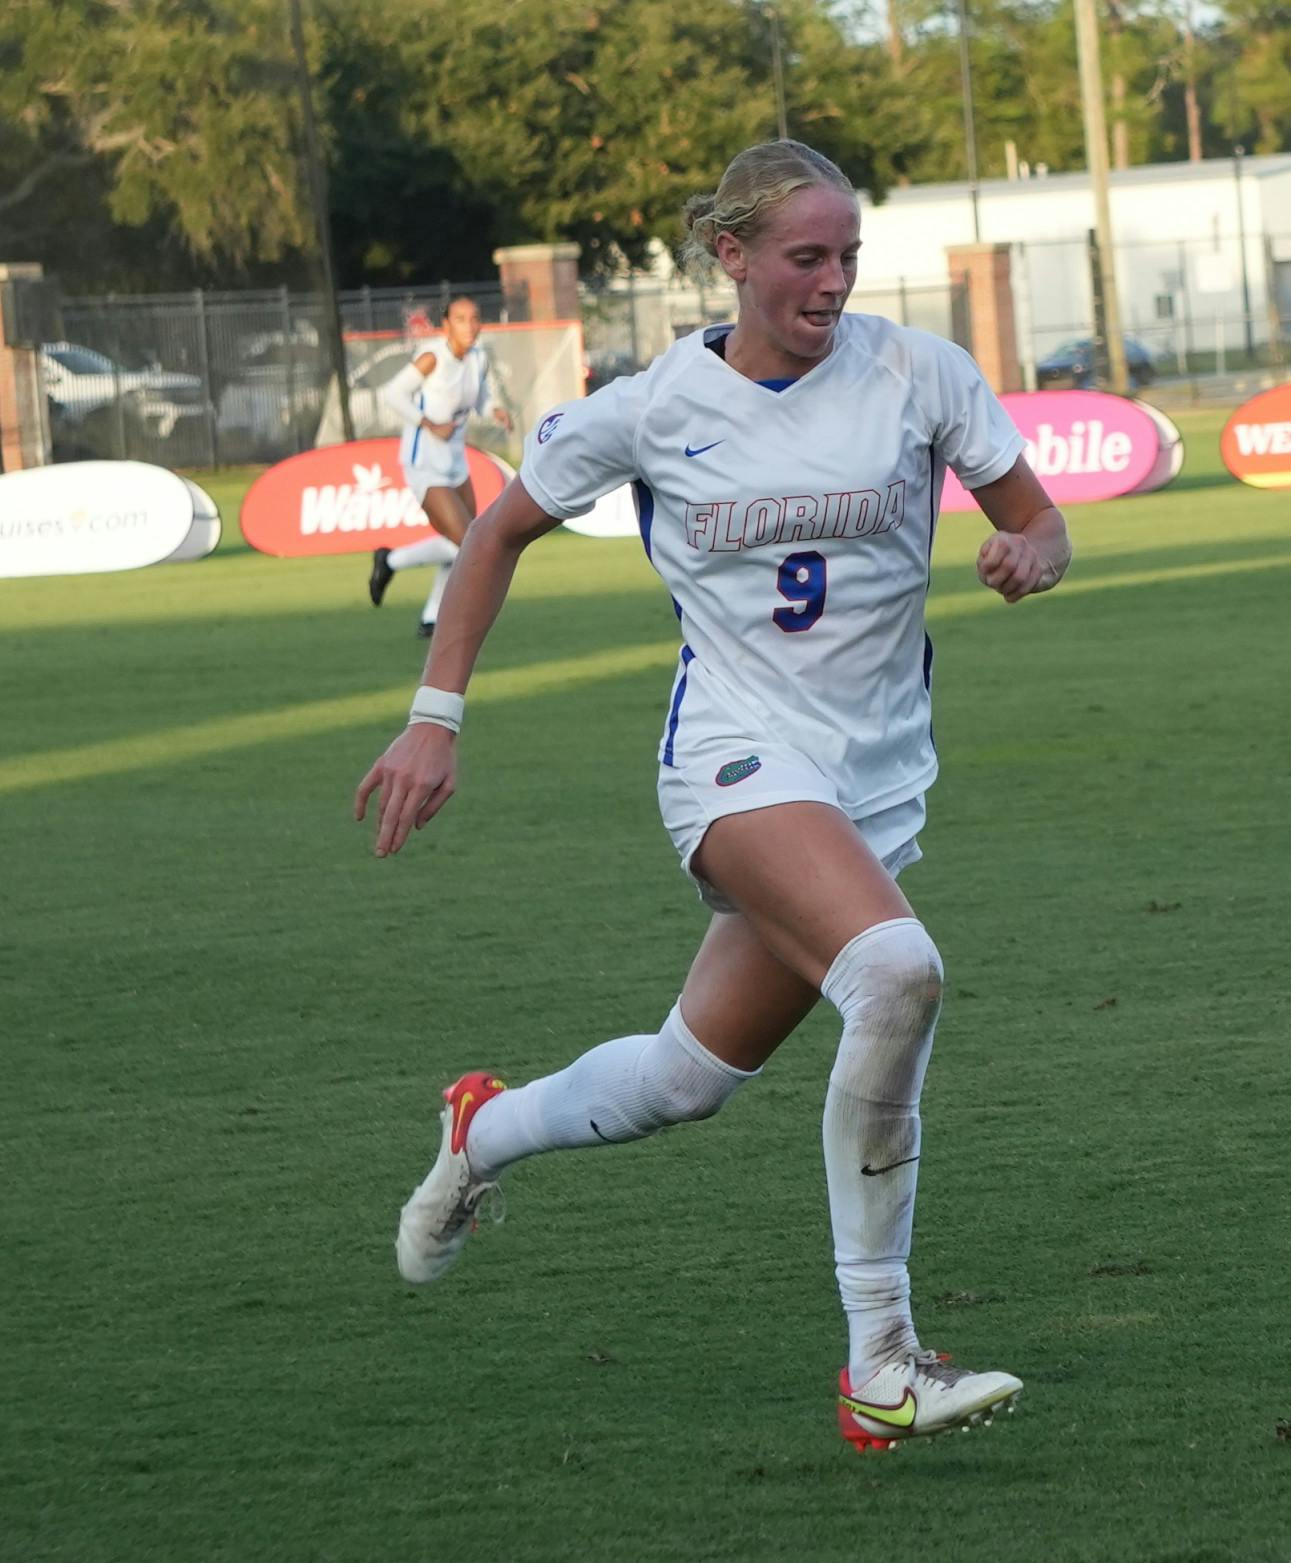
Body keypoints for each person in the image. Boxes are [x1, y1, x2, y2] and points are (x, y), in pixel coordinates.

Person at [354, 140, 1072, 1449]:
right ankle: (883, 1359)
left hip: (875, 787)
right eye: (806, 255)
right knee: (898, 972)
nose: (834, 279)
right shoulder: (653, 406)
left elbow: (1044, 518)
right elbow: (499, 533)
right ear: (731, 256)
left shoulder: (920, 373)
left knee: (686, 1078)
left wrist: (1029, 548)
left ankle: (483, 1127)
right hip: (735, 765)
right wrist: (433, 721)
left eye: (848, 254)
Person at [366, 297, 513, 637]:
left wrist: (494, 410)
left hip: (456, 462)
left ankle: (432, 616)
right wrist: (428, 423)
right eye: (461, 319)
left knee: (465, 542)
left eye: (475, 318)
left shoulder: (478, 357)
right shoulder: (433, 356)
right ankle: (389, 560)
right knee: (466, 542)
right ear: (446, 325)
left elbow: (480, 398)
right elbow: (393, 394)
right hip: (424, 463)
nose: (470, 325)